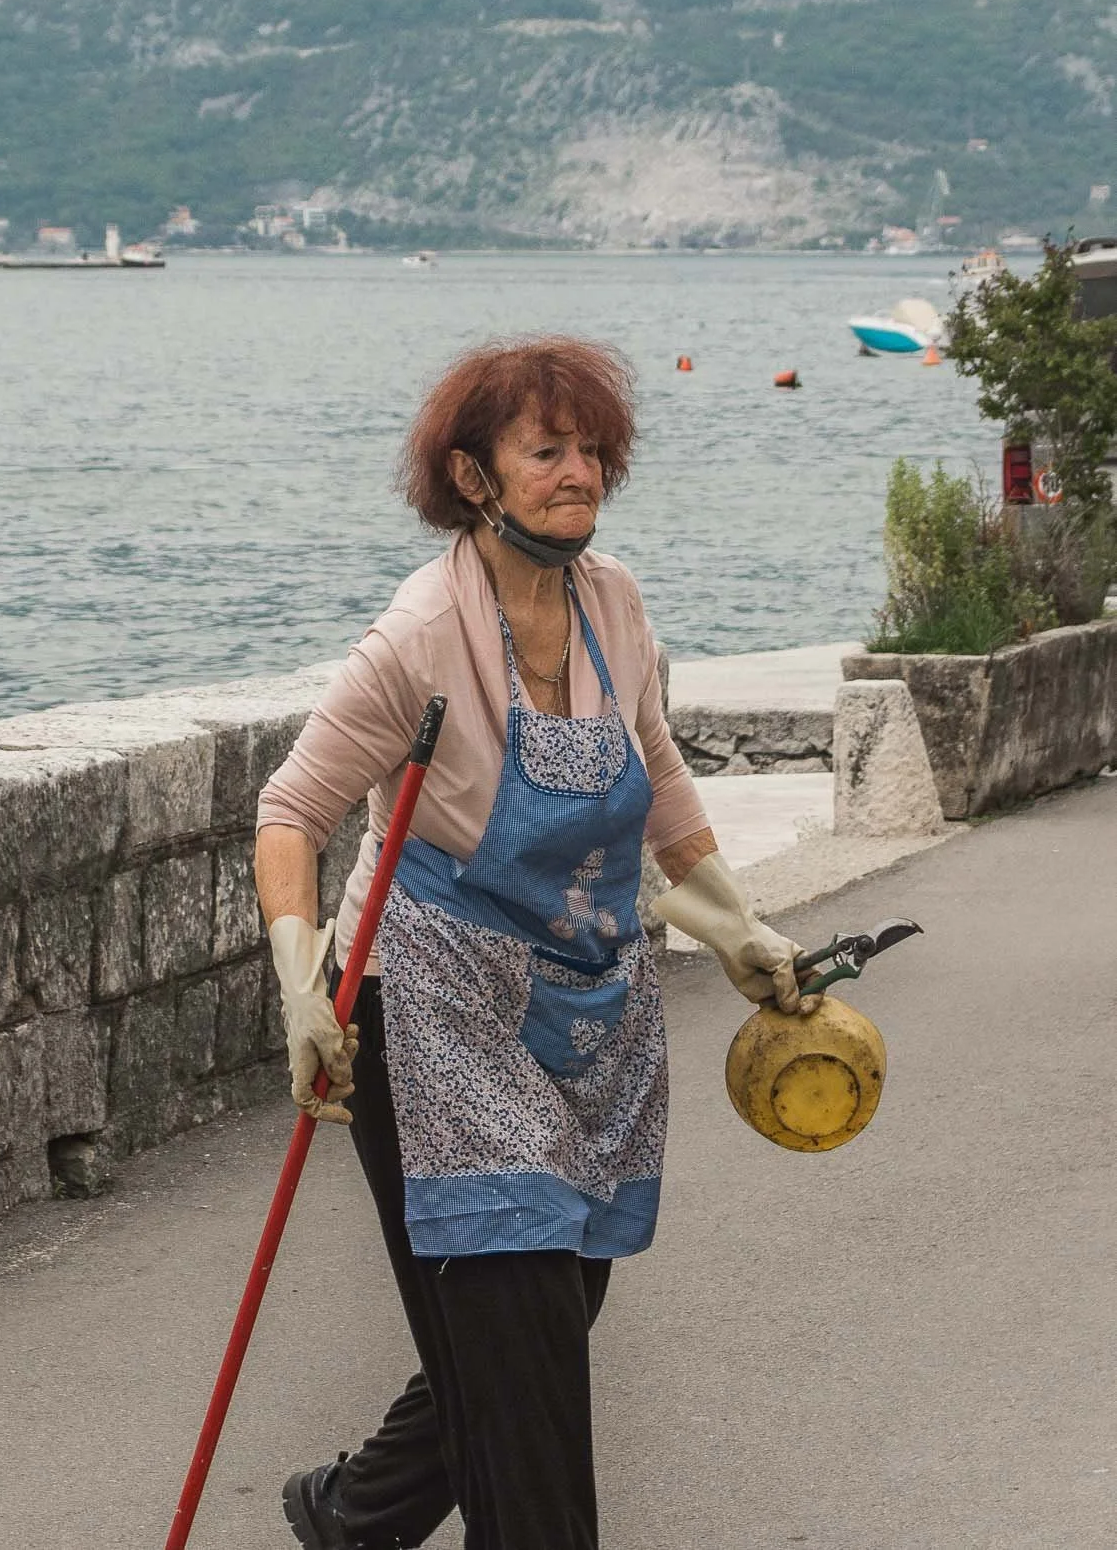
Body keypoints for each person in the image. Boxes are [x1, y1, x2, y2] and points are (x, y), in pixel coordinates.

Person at [255, 338, 816, 1550]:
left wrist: (731, 921)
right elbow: (290, 812)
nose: (578, 472)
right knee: (521, 1339)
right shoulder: (417, 637)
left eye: (590, 449)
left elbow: (653, 767)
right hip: (430, 1006)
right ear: (472, 477)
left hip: (579, 1006)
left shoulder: (611, 602)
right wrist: (304, 987)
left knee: (547, 1310)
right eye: (544, 451)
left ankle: (354, 1513)